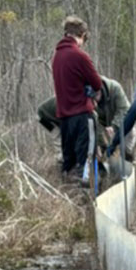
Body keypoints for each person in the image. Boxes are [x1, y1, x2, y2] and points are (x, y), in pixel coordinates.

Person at [51, 16, 102, 186]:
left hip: (64, 118)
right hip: (82, 116)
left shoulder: (57, 56)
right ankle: (87, 201)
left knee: (69, 162)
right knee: (85, 161)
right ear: (81, 35)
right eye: (84, 38)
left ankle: (69, 202)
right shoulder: (80, 55)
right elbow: (97, 83)